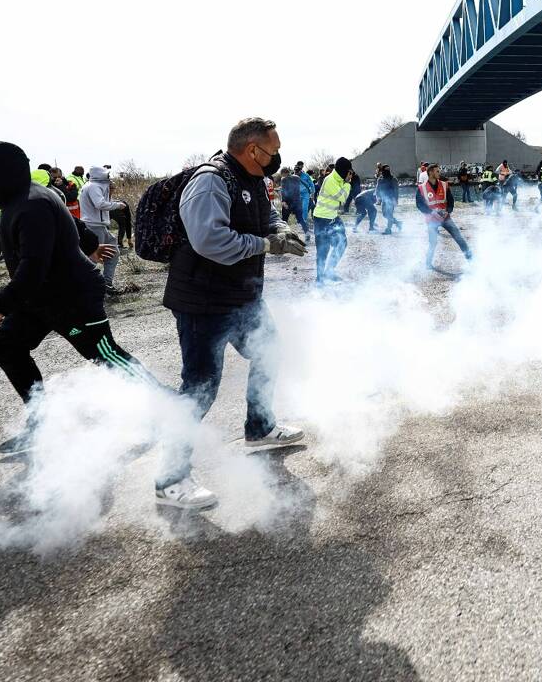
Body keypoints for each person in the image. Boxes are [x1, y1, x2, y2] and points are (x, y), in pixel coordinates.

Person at [0, 142, 159, 455]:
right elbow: (75, 226)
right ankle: (42, 423)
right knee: (8, 349)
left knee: (103, 354)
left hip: (72, 295)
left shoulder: (32, 203)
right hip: (39, 297)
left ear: (1, 170)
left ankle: (166, 408)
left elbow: (33, 267)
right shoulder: (19, 199)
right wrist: (91, 246)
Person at [156, 118, 307, 508]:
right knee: (200, 388)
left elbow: (265, 216)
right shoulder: (211, 180)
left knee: (269, 354)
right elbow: (211, 240)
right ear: (253, 149)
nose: (277, 158)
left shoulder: (253, 179)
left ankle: (260, 428)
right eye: (273, 151)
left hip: (243, 297)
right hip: (203, 302)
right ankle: (170, 481)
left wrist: (280, 230)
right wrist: (266, 245)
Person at [80, 165, 128, 296]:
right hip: (94, 226)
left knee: (112, 252)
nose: (109, 177)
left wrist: (111, 196)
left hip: (98, 226)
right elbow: (100, 204)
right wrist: (118, 205)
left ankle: (105, 284)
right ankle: (90, 288)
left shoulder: (92, 185)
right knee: (93, 257)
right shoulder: (94, 186)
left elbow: (101, 203)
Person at [416, 163, 472, 271]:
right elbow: (419, 204)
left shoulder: (444, 185)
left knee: (459, 238)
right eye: (437, 171)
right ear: (430, 172)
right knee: (432, 243)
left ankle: (472, 261)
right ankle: (428, 264)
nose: (439, 173)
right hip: (431, 220)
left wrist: (448, 211)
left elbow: (451, 200)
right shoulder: (421, 188)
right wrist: (431, 212)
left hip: (445, 218)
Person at [312, 156, 352, 284]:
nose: (350, 174)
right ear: (343, 170)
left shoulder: (339, 179)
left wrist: (345, 182)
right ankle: (319, 279)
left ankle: (329, 271)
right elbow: (343, 198)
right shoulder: (331, 180)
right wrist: (348, 183)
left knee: (342, 243)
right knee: (323, 249)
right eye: (348, 171)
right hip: (322, 219)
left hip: (332, 217)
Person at [376, 164, 402, 234]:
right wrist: (378, 198)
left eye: (388, 170)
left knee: (389, 214)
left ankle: (388, 229)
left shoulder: (393, 179)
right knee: (385, 214)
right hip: (384, 199)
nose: (387, 171)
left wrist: (395, 199)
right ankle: (398, 223)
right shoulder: (380, 179)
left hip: (391, 199)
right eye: (385, 170)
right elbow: (377, 189)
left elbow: (396, 190)